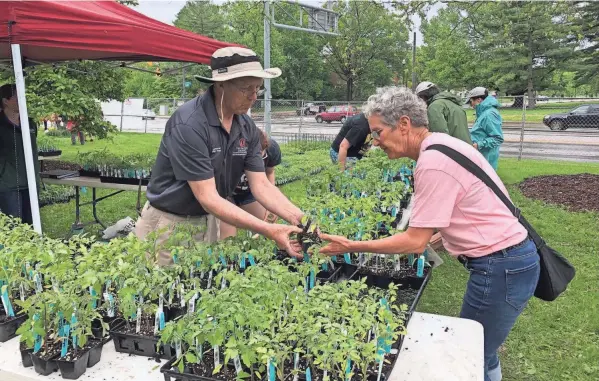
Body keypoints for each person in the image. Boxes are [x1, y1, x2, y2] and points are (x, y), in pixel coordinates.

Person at [318, 86, 540, 381]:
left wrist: (350, 245)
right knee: (481, 352)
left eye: (378, 132)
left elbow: (413, 241)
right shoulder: (441, 144)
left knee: (471, 356)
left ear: (404, 124)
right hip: (509, 260)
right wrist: (442, 239)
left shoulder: (432, 162)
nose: (374, 141)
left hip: (501, 265)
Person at [135, 47, 303, 266]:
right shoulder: (190, 124)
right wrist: (268, 230)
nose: (253, 97)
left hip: (209, 220)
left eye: (258, 89)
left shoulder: (245, 125)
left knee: (202, 288)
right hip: (170, 224)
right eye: (246, 89)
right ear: (221, 84)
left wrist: (298, 217)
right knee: (164, 292)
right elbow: (208, 197)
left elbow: (260, 184)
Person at [220, 129, 282, 239]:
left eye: (259, 156)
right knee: (228, 240)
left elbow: (270, 172)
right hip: (226, 194)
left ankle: (257, 251)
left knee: (268, 225)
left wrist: (271, 202)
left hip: (250, 192)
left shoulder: (272, 149)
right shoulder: (228, 152)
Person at [0, 84, 40, 225]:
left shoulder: (30, 123)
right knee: (14, 228)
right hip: (8, 186)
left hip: (31, 183)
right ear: (6, 101)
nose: (22, 100)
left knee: (33, 226)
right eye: (18, 97)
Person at [466, 87, 504, 170]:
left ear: (479, 100)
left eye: (471, 101)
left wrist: (478, 145)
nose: (471, 105)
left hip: (486, 161)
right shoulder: (484, 113)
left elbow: (497, 138)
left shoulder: (489, 114)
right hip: (482, 159)